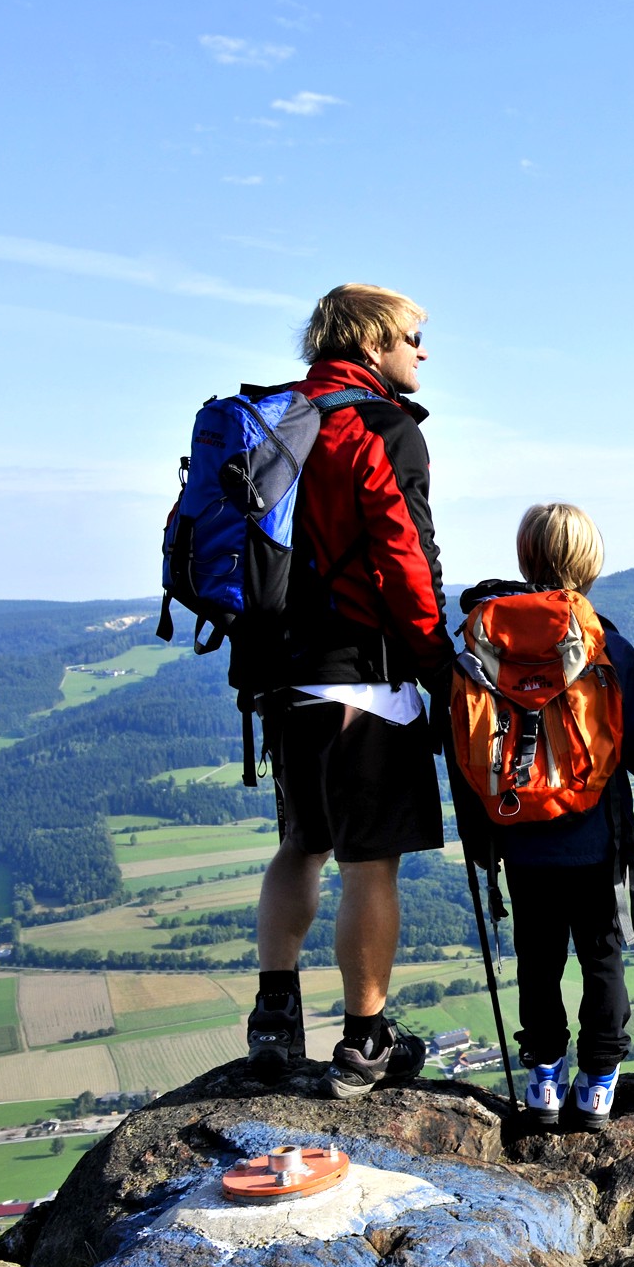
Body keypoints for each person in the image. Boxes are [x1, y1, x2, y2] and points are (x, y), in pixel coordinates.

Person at [242, 284, 452, 1100]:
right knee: (371, 863)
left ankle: (272, 1015)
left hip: (281, 674)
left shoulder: (277, 419)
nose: (422, 350)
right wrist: (438, 662)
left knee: (301, 843)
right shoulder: (380, 428)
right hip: (366, 679)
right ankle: (364, 1040)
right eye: (413, 335)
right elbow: (404, 556)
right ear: (372, 342)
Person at [456, 504, 634, 1130]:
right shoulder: (605, 644)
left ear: (525, 558)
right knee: (601, 953)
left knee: (538, 957)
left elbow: (462, 741)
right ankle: (599, 1081)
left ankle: (544, 1078)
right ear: (591, 565)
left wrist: (481, 834)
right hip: (592, 838)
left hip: (518, 836)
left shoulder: (483, 641)